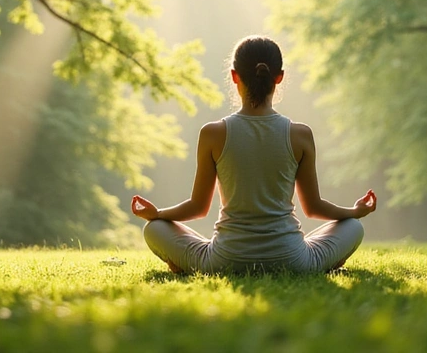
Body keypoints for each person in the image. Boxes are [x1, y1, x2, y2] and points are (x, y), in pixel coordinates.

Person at [131, 35, 377, 274]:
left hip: (224, 260)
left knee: (153, 229)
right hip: (293, 260)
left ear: (234, 76)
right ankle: (323, 263)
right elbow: (313, 207)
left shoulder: (212, 134)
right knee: (353, 227)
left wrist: (158, 215)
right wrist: (354, 212)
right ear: (279, 78)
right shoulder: (300, 134)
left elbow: (198, 207)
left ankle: (183, 264)